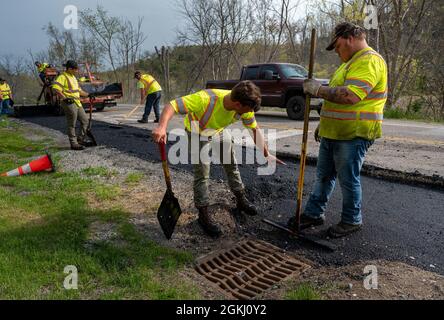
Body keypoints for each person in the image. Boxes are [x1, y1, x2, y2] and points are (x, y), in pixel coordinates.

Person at [288, 22, 388, 238]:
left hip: (353, 134)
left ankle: (352, 220)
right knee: (324, 176)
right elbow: (335, 98)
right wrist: (323, 124)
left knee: (347, 179)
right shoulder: (349, 63)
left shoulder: (369, 60)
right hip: (334, 131)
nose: (336, 51)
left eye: (338, 45)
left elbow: (351, 96)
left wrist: (318, 89)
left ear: (350, 37)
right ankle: (314, 214)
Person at [152, 81, 285, 238]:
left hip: (218, 131)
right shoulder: (204, 99)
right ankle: (203, 214)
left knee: (231, 164)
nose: (247, 114)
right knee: (203, 173)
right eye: (245, 111)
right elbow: (171, 105)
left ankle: (241, 200)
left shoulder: (245, 106)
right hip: (197, 131)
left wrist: (266, 153)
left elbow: (254, 129)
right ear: (236, 104)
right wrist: (162, 127)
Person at [52, 60, 92, 151]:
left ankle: (80, 139)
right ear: (69, 68)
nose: (77, 71)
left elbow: (79, 91)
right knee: (72, 123)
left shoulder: (73, 77)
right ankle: (74, 144)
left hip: (77, 102)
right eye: (75, 69)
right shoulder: (62, 77)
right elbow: (56, 88)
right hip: (69, 103)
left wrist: (88, 94)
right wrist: (65, 98)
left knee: (85, 121)